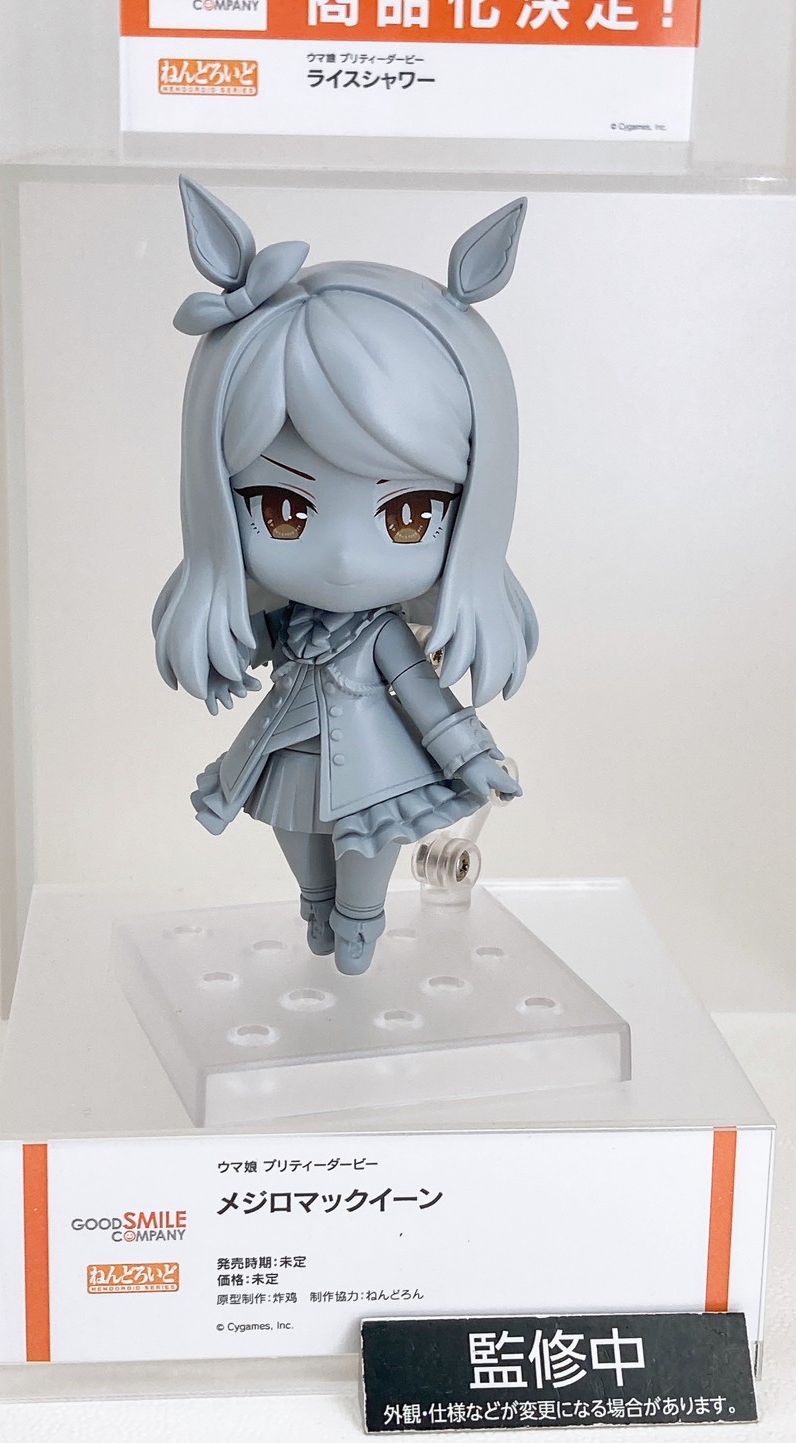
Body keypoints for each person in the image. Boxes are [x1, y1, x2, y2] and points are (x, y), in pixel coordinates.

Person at [153, 178, 537, 974]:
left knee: (361, 878)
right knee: (304, 861)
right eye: (281, 508)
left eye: (408, 513)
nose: (341, 556)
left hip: (375, 773)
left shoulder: (382, 634)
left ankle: (358, 927)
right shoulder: (284, 622)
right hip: (283, 757)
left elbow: (424, 698)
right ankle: (318, 917)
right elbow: (253, 642)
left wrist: (473, 756)